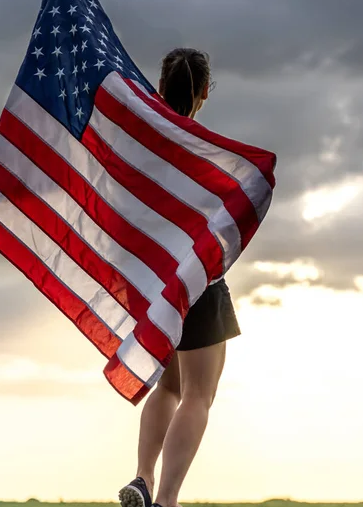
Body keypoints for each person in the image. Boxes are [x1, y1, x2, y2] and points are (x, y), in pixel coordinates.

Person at [118, 48, 241, 507]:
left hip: (152, 284)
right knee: (198, 395)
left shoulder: (140, 144)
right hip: (198, 284)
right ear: (205, 91)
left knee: (167, 386)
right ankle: (166, 500)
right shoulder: (207, 153)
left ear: (161, 84)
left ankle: (143, 478)